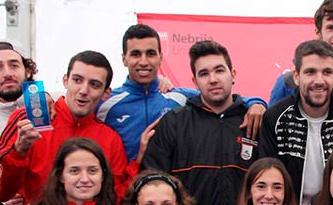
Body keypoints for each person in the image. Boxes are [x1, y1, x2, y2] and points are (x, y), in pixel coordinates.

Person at [98, 23, 266, 163]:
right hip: (121, 189)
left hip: (164, 188)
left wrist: (256, 103)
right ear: (124, 59)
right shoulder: (105, 103)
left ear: (160, 57)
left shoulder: (179, 97)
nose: (143, 61)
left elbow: (222, 97)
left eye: (150, 54)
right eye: (135, 54)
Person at [142, 40, 260, 205]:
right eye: (204, 74)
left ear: (233, 75)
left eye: (219, 70)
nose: (213, 79)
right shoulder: (174, 122)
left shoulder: (254, 121)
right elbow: (153, 181)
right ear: (195, 82)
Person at [0, 51, 132, 205]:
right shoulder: (29, 120)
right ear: (65, 80)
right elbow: (0, 191)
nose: (84, 90)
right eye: (77, 80)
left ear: (106, 93)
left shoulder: (111, 139)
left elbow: (115, 199)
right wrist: (18, 152)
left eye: (94, 84)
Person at [257, 40, 333, 205]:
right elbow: (267, 177)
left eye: (326, 72)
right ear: (296, 76)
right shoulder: (274, 119)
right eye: (310, 72)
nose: (319, 81)